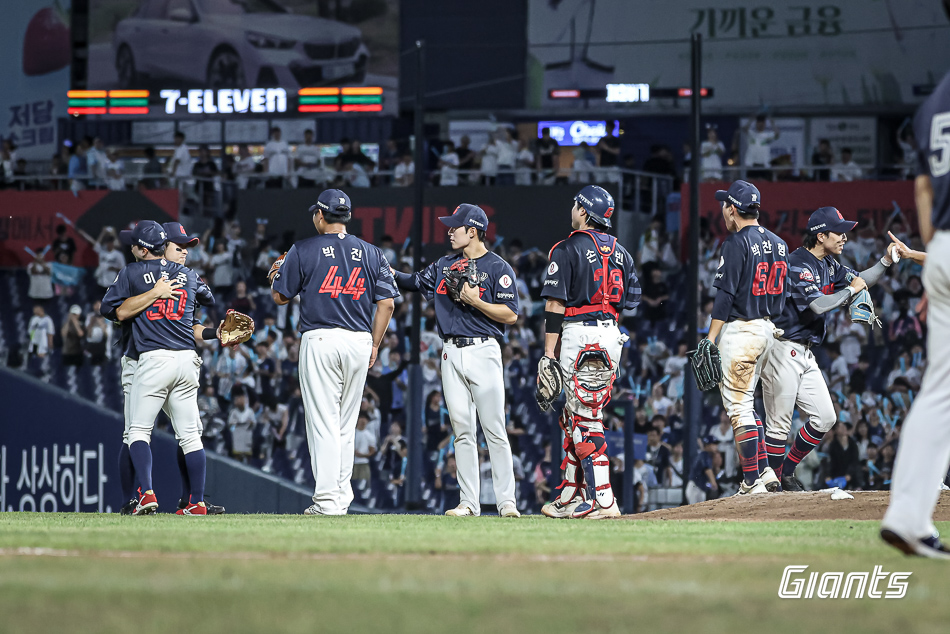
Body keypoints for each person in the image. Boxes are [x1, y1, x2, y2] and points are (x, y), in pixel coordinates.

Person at [270, 189, 397, 515]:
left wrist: (275, 276)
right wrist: (375, 344)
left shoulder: (304, 249)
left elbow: (280, 297)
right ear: (348, 217)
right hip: (358, 341)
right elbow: (387, 303)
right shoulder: (371, 252)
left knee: (323, 422)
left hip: (322, 339)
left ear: (321, 216)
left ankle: (327, 501)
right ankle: (340, 499)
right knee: (345, 424)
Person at [392, 204, 521, 518]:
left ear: (473, 231)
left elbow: (511, 314)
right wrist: (381, 268)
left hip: (484, 350)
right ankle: (469, 503)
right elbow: (410, 282)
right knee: (462, 430)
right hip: (450, 352)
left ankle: (506, 502)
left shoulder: (498, 267)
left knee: (494, 429)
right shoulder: (443, 265)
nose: (449, 231)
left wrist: (476, 301)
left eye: (455, 227)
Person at [761, 207, 898, 491]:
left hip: (805, 350)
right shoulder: (798, 263)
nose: (845, 237)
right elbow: (819, 305)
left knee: (825, 416)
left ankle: (786, 472)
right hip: (781, 347)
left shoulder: (830, 264)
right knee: (778, 426)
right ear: (820, 235)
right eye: (839, 231)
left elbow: (860, 278)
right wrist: (850, 291)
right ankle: (770, 485)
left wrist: (885, 261)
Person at [101, 221, 224, 516]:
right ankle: (193, 502)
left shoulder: (132, 272)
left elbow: (111, 310)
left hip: (152, 358)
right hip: (183, 360)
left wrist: (213, 332)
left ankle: (149, 495)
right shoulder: (188, 275)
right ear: (163, 247)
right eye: (178, 247)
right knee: (190, 435)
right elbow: (206, 298)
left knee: (137, 432)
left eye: (185, 249)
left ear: (143, 249)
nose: (183, 253)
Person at [539, 185, 641, 519]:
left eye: (575, 206)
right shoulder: (623, 252)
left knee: (586, 419)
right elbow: (632, 302)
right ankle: (571, 493)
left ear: (584, 211)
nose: (572, 210)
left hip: (578, 334)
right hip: (611, 332)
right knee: (573, 415)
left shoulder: (566, 248)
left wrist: (548, 355)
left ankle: (604, 500)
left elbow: (554, 305)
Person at [882, 69, 950, 559]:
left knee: (940, 391)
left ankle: (907, 516)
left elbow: (923, 192)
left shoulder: (932, 103)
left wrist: (934, 263)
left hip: (942, 246)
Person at [707, 180, 787, 494]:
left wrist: (710, 337)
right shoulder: (780, 243)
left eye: (724, 205)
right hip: (769, 331)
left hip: (741, 331)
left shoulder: (736, 242)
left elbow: (725, 295)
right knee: (749, 406)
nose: (722, 210)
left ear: (733, 208)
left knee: (739, 409)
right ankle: (766, 471)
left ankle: (751, 481)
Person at [686, 436, 722, 504]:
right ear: (707, 445)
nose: (716, 446)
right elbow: (707, 469)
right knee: (694, 510)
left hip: (700, 488)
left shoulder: (708, 456)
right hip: (695, 487)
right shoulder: (704, 454)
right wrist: (713, 482)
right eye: (713, 444)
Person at [743, 114, 779, 180]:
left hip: (764, 164)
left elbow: (777, 134)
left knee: (763, 184)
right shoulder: (751, 134)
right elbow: (745, 129)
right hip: (752, 164)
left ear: (765, 124)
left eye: (762, 123)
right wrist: (751, 120)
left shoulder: (768, 135)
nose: (761, 125)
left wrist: (772, 123)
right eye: (759, 123)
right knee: (751, 184)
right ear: (756, 123)